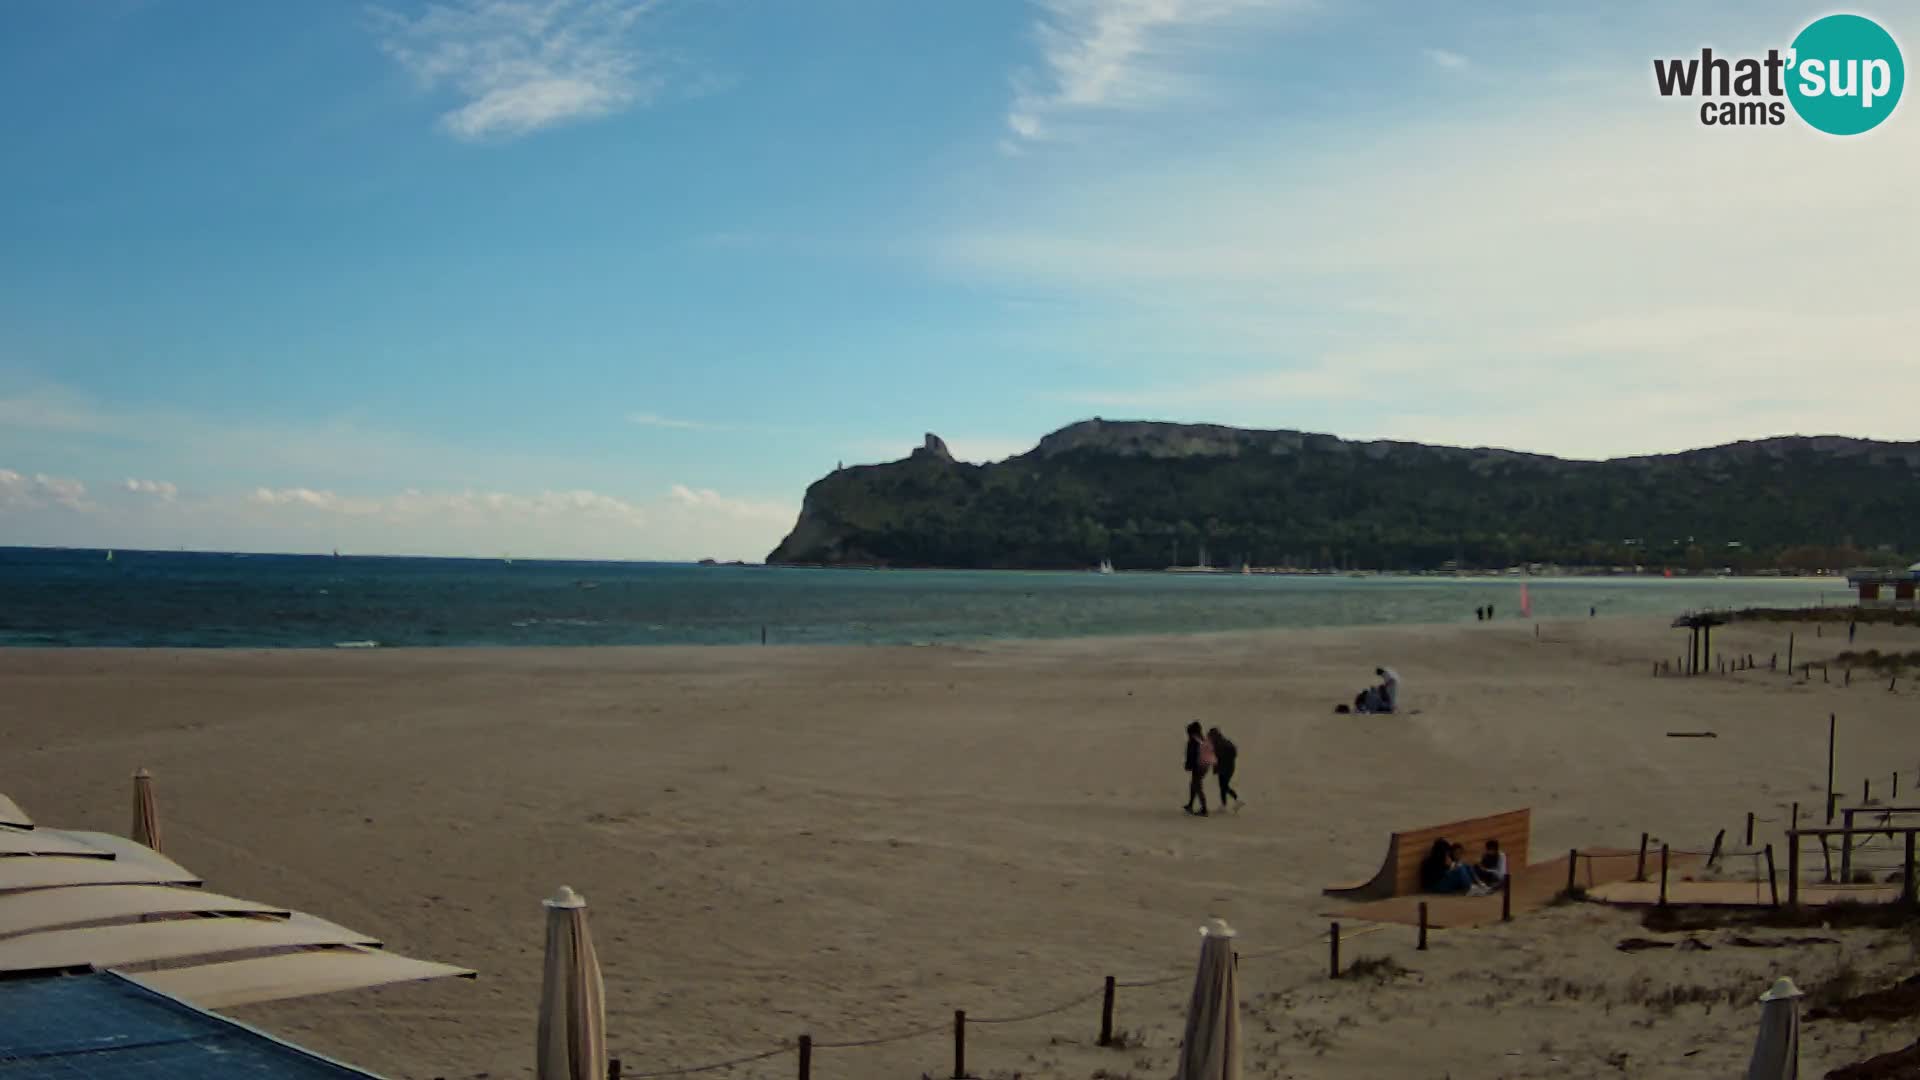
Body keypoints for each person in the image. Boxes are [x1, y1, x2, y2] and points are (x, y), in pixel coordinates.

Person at [1208, 727, 1241, 811]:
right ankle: (1224, 805)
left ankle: (1236, 800)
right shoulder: (1224, 741)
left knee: (1224, 786)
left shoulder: (1218, 744)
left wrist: (1216, 768)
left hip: (1224, 768)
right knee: (1223, 786)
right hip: (1228, 768)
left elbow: (1217, 757)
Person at [1183, 721, 1211, 817]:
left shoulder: (1193, 741)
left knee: (1197, 786)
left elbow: (1192, 755)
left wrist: (1188, 765)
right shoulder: (1202, 739)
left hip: (1198, 766)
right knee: (1194, 784)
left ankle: (1204, 809)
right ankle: (1190, 804)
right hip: (1204, 766)